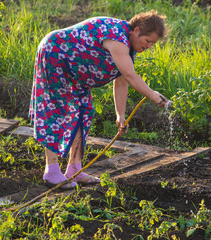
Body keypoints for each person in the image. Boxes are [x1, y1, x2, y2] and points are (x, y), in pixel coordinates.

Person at [29, 10, 169, 189]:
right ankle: (52, 171)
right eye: (148, 41)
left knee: (84, 110)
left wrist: (120, 115)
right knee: (58, 111)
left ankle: (74, 169)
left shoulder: (127, 49)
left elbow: (122, 82)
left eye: (152, 44)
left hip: (74, 69)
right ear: (136, 31)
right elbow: (130, 75)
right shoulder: (117, 36)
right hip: (55, 54)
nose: (149, 46)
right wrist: (154, 96)